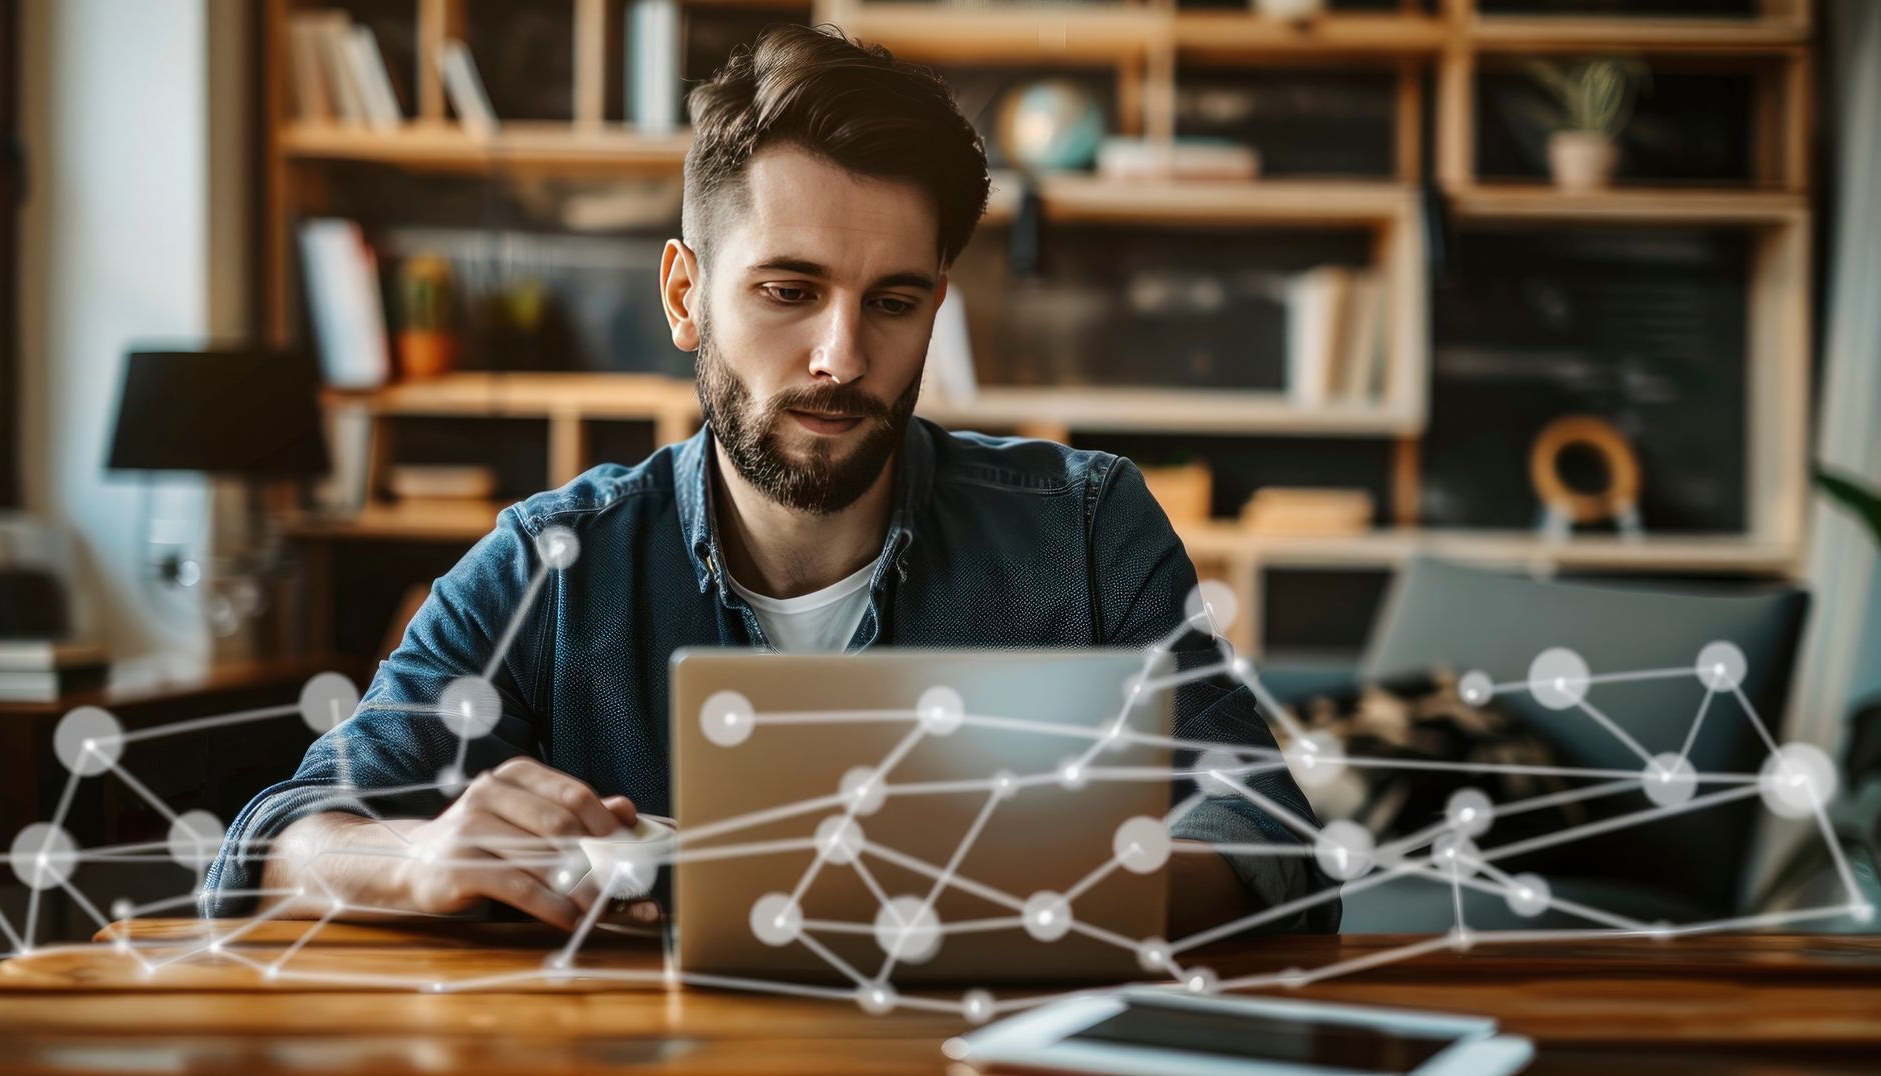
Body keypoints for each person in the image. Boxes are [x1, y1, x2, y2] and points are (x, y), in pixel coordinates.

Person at [204, 23, 1339, 938]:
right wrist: (417, 854)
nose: (843, 357)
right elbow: (281, 834)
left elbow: (1269, 833)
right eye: (789, 291)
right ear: (686, 294)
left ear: (937, 303)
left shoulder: (1087, 528)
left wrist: (1016, 887)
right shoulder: (556, 562)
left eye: (893, 301)